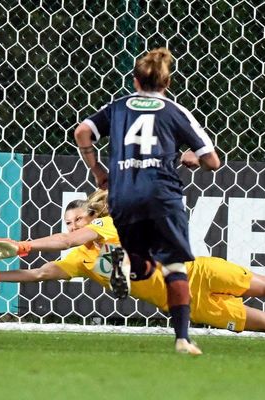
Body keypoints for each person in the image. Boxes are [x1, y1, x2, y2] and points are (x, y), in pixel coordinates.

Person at [0, 190, 265, 353]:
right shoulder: (81, 259)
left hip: (196, 272)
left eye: (76, 219)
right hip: (182, 300)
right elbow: (41, 274)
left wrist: (21, 246)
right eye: (69, 222)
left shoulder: (110, 226)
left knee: (263, 284)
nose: (72, 226)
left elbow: (62, 243)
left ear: (90, 216)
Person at [73, 47, 221, 354]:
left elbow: (82, 132)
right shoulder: (175, 111)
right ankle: (182, 338)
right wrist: (192, 156)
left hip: (123, 195)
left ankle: (124, 262)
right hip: (162, 196)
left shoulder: (117, 107)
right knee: (174, 265)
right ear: (166, 83)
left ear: (135, 81)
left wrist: (99, 169)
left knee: (143, 267)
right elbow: (213, 161)